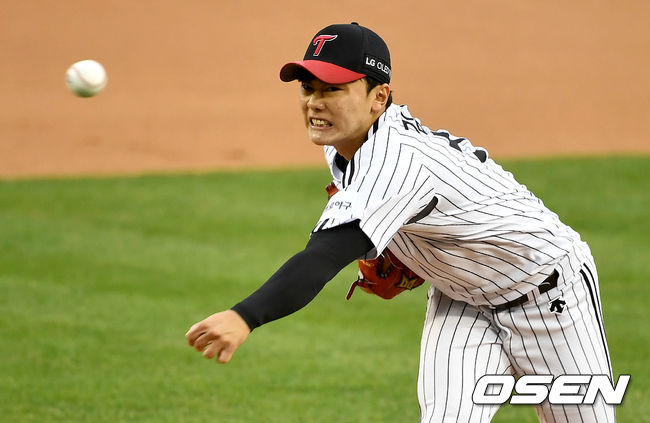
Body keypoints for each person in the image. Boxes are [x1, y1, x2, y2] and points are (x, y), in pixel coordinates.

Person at [186, 23, 615, 422]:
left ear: (379, 97)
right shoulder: (346, 140)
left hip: (549, 292)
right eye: (308, 87)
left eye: (333, 89)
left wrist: (244, 316)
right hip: (461, 298)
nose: (315, 101)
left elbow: (324, 256)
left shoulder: (398, 161)